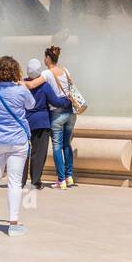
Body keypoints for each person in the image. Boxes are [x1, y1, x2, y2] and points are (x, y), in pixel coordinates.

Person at [0, 56, 36, 238]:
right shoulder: (21, 90)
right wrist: (22, 85)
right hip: (17, 140)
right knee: (14, 183)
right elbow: (31, 105)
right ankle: (13, 224)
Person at [22, 59, 72, 189]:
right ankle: (35, 181)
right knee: (39, 154)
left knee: (22, 153)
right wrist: (68, 102)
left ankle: (20, 181)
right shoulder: (44, 86)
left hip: (25, 122)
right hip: (41, 123)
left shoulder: (23, 83)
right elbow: (55, 101)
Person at [41, 45, 77, 189]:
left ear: (48, 58)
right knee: (66, 144)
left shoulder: (46, 74)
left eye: (45, 57)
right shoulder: (66, 71)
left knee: (57, 146)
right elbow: (72, 88)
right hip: (71, 112)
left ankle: (61, 180)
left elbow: (33, 84)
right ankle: (69, 177)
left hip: (56, 113)